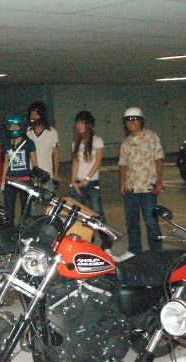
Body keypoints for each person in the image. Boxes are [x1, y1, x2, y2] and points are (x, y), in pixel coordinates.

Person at [117, 107, 164, 260]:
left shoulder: (151, 137)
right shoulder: (126, 142)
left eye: (135, 119)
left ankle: (156, 253)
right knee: (132, 221)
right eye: (129, 120)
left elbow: (158, 159)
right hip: (131, 188)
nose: (132, 122)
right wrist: (122, 182)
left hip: (148, 187)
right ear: (125, 123)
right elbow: (122, 164)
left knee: (151, 221)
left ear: (141, 121)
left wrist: (159, 181)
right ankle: (134, 250)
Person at [69, 111, 113, 254]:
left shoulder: (97, 140)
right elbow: (75, 163)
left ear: (89, 125)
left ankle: (107, 245)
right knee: (77, 214)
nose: (79, 126)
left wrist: (86, 179)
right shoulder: (75, 143)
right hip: (77, 183)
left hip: (92, 182)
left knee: (97, 213)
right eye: (77, 123)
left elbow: (98, 162)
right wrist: (73, 182)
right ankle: (81, 243)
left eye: (82, 123)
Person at [2, 114, 38, 226]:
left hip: (25, 180)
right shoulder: (7, 143)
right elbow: (6, 162)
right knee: (8, 210)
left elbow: (34, 162)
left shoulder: (29, 143)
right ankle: (9, 230)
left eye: (16, 126)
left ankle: (25, 231)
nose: (13, 128)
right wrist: (2, 181)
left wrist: (36, 180)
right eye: (10, 126)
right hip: (10, 180)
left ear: (21, 126)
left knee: (26, 210)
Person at [27, 101, 60, 186]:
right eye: (31, 114)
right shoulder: (27, 132)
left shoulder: (52, 132)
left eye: (36, 114)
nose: (33, 117)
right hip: (31, 174)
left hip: (47, 174)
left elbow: (56, 154)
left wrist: (56, 174)